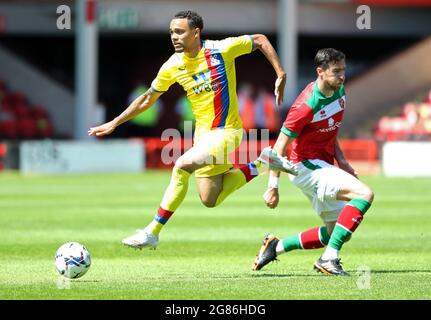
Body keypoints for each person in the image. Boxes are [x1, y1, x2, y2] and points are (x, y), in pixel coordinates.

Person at [88, 10, 297, 249]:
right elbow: (147, 99)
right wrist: (114, 122)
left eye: (179, 32)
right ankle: (264, 162)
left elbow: (260, 39)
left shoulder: (222, 49)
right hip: (203, 136)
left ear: (195, 32)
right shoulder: (173, 65)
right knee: (210, 198)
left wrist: (280, 73)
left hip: (227, 132)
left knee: (181, 166)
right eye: (171, 33)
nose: (174, 37)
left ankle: (152, 231)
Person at [252, 48, 374, 276]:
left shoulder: (339, 90)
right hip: (305, 166)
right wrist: (272, 187)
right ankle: (329, 259)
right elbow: (278, 148)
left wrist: (343, 161)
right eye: (336, 71)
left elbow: (331, 129)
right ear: (320, 72)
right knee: (364, 194)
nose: (342, 76)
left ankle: (275, 246)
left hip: (322, 164)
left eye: (343, 70)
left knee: (336, 233)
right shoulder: (304, 105)